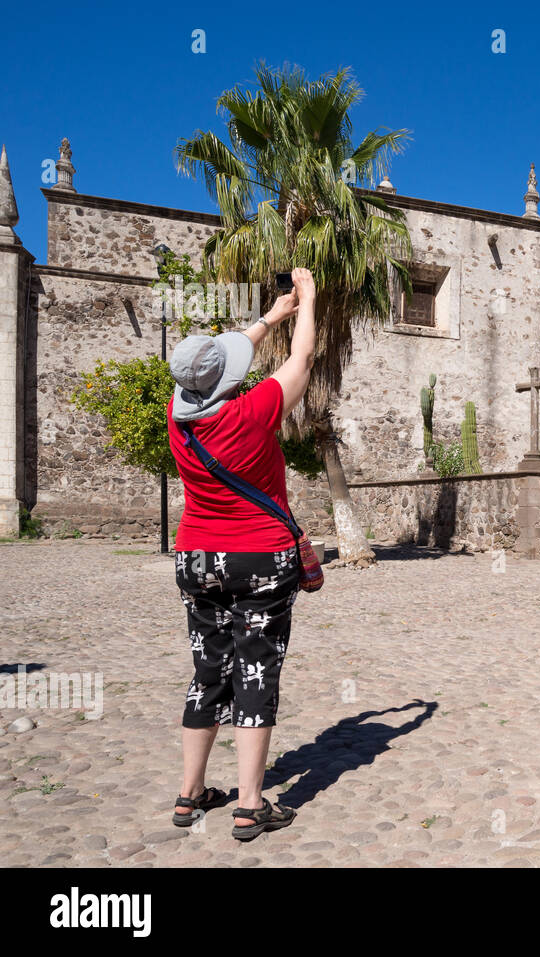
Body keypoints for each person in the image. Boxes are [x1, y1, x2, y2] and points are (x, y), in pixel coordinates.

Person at [166, 267, 316, 841]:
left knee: (208, 671)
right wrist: (308, 304)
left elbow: (213, 368)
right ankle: (251, 804)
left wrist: (268, 317)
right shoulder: (253, 412)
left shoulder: (180, 421)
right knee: (255, 671)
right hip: (259, 558)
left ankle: (190, 795)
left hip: (197, 558)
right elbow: (300, 361)